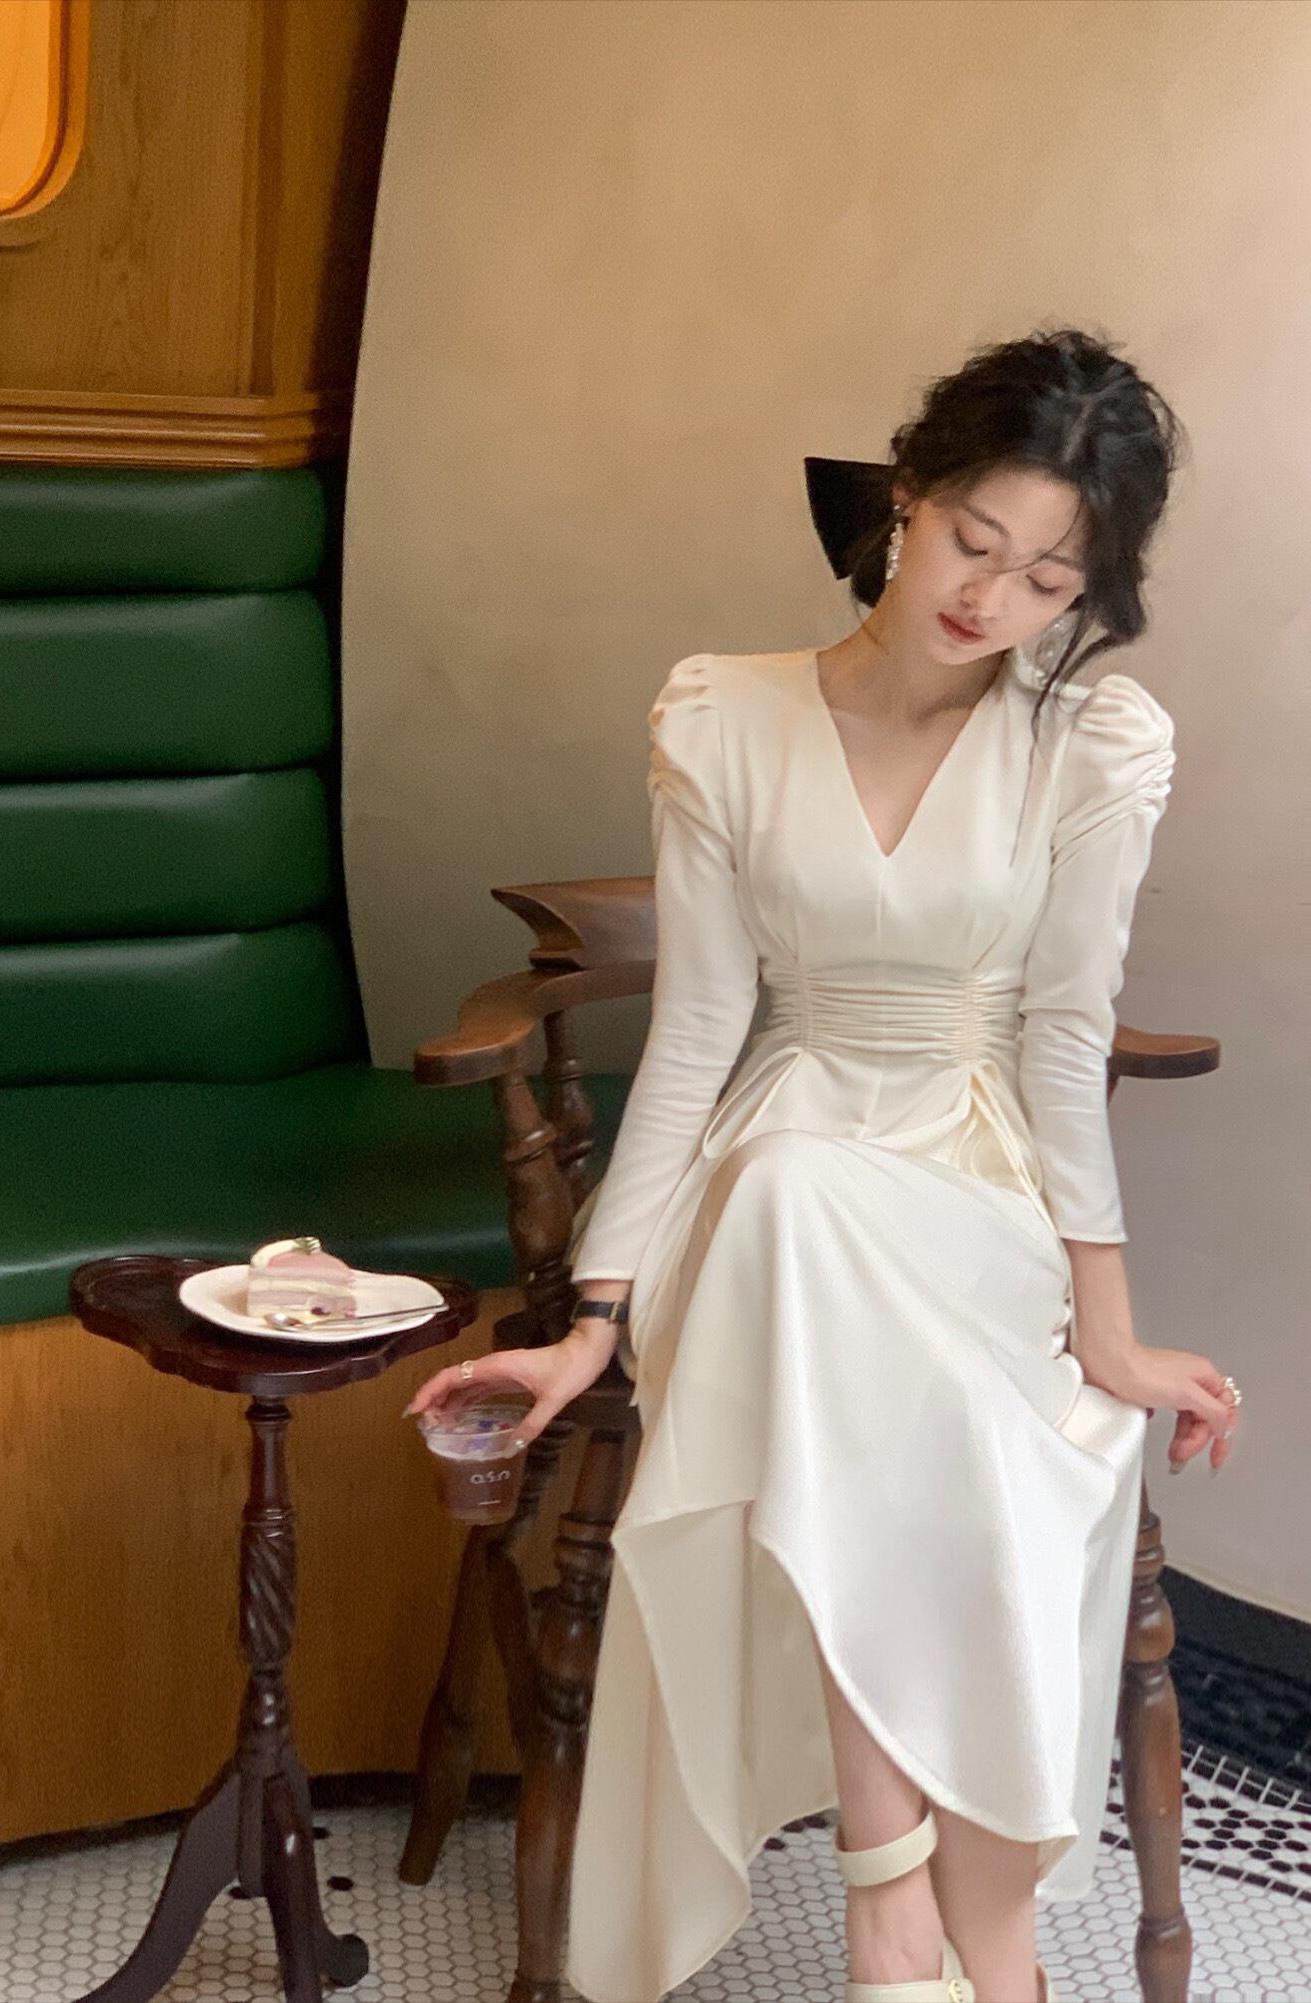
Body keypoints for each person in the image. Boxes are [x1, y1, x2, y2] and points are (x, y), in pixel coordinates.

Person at [406, 327, 1243, 2003]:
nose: (991, 599)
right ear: (907, 495)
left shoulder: (1090, 741)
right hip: (778, 1156)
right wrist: (593, 1316)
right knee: (797, 1201)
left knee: (958, 1425)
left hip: (978, 1171)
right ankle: (904, 1908)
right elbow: (700, 1035)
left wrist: (1107, 1328)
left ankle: (950, 1928)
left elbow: (1060, 1040)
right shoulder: (724, 712)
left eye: (1048, 579)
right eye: (972, 542)